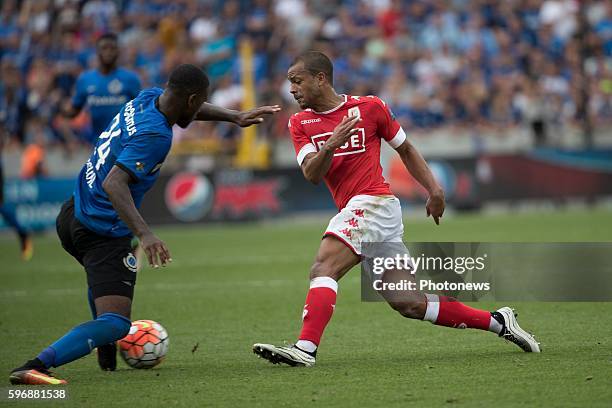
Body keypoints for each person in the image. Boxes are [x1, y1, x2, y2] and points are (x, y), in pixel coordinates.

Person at [253, 51, 539, 367]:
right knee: (410, 303)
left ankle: (305, 348)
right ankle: (499, 321)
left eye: (297, 81)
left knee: (324, 268)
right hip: (369, 213)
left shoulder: (369, 107)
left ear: (320, 78)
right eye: (289, 83)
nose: (291, 89)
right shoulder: (299, 123)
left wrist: (434, 188)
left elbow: (405, 148)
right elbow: (311, 174)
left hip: (373, 203)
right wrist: (332, 144)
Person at [10, 64, 280, 385]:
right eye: (198, 103)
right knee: (116, 323)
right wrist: (145, 233)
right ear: (191, 99)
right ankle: (36, 365)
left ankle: (105, 350)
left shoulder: (148, 97)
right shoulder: (156, 135)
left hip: (72, 213)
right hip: (101, 230)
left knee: (105, 291)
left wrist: (234, 116)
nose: (197, 111)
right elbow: (115, 184)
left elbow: (190, 106)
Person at [62, 33, 141, 145]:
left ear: (118, 51)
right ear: (97, 51)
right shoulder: (85, 80)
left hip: (124, 143)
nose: (108, 52)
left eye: (112, 48)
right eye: (104, 48)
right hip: (97, 143)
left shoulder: (131, 79)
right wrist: (62, 108)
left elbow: (139, 111)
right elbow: (75, 110)